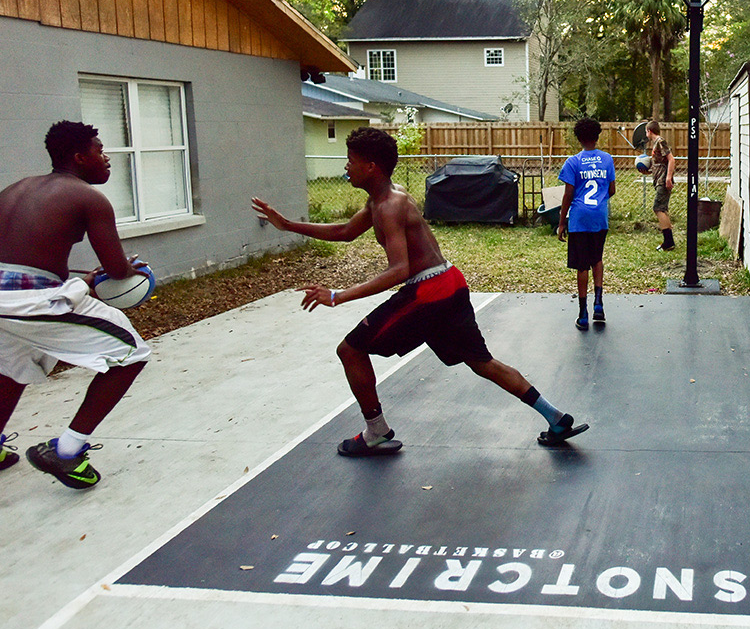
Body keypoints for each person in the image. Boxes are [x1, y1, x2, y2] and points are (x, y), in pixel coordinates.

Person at [252, 127, 587, 454]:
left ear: (371, 167)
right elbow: (343, 231)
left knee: (350, 350)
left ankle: (376, 433)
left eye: (351, 160)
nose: (346, 166)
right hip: (450, 283)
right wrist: (287, 224)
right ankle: (556, 418)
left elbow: (399, 270)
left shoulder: (390, 205)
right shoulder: (381, 200)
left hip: (430, 292)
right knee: (481, 362)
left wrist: (337, 296)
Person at [0, 121, 151, 489]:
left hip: (8, 298)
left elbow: (26, 260)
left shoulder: (14, 189)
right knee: (130, 353)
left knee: (13, 365)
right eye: (100, 151)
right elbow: (117, 270)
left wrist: (73, 281)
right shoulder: (89, 198)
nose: (107, 158)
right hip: (29, 302)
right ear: (80, 157)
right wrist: (129, 270)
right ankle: (66, 452)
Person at [558, 118, 617, 331]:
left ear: (578, 138)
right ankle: (598, 304)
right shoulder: (607, 159)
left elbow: (568, 194)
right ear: (597, 135)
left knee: (582, 265)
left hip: (580, 219)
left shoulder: (572, 162)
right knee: (597, 259)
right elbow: (611, 190)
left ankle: (583, 314)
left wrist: (562, 221)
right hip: (599, 217)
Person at [645, 121, 676, 251]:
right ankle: (669, 241)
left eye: (646, 131)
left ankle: (668, 242)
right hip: (659, 180)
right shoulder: (655, 144)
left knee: (658, 208)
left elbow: (671, 159)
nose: (646, 134)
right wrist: (647, 171)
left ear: (649, 131)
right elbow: (659, 164)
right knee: (662, 209)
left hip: (663, 181)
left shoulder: (660, 141)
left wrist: (668, 178)